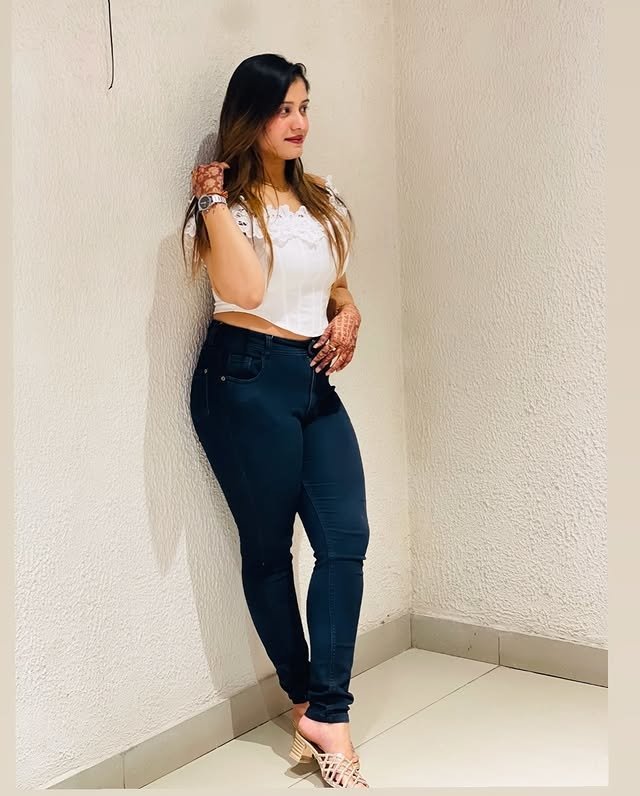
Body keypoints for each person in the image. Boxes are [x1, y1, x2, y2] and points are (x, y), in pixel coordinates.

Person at [182, 54, 370, 788]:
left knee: (345, 539)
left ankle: (327, 708)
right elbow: (248, 289)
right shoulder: (226, 205)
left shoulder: (321, 197)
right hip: (243, 379)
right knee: (268, 551)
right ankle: (312, 705)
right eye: (283, 109)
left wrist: (348, 313)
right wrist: (211, 202)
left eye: (304, 107)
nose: (298, 122)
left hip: (310, 379)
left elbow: (333, 283)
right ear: (250, 116)